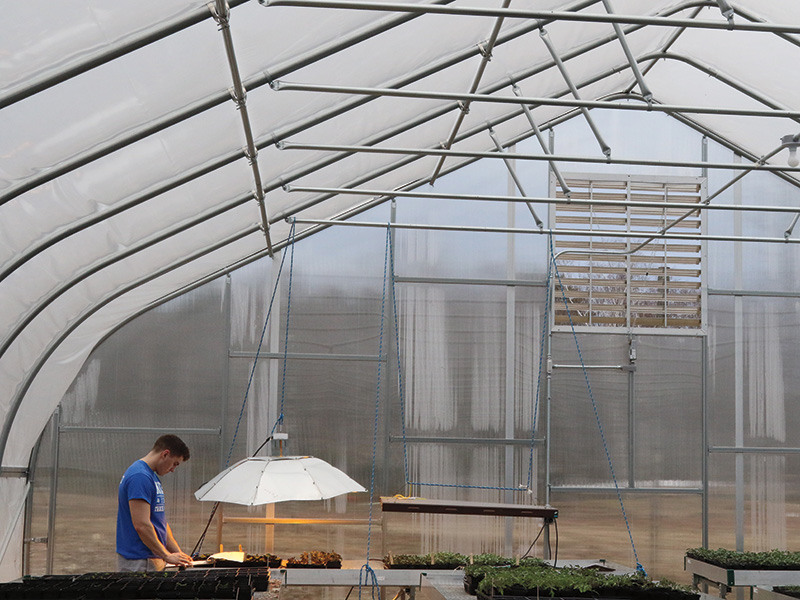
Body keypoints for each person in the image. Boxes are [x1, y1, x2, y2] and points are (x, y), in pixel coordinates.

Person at [116, 434, 193, 572]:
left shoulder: (150, 476)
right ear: (165, 454)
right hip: (139, 561)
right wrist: (166, 555)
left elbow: (159, 521)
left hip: (151, 558)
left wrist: (177, 553)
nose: (173, 469)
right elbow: (142, 525)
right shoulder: (139, 477)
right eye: (175, 463)